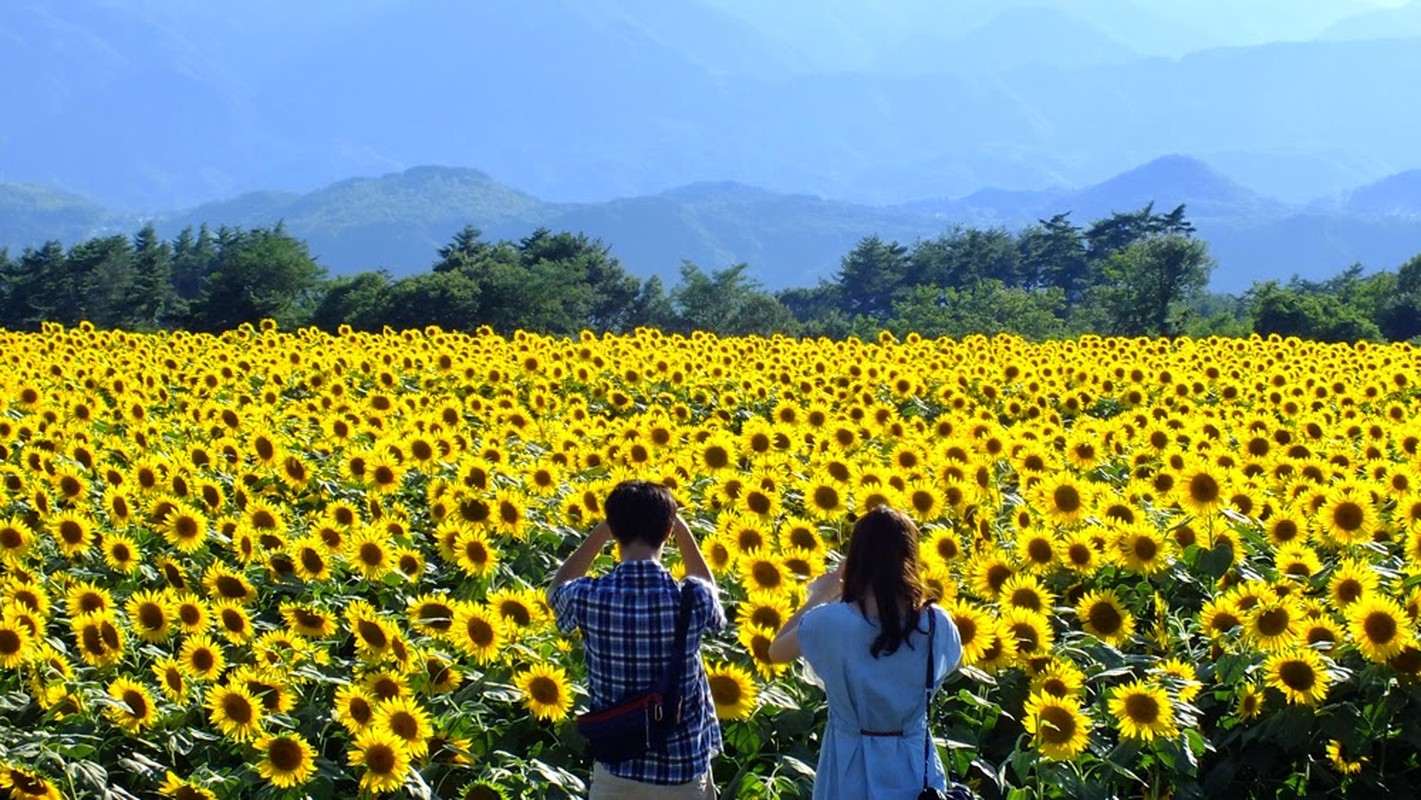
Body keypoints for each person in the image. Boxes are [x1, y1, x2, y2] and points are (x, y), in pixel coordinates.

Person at [768, 506, 963, 800]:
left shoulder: (830, 622)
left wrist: (825, 591)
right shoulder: (936, 623)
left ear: (856, 560)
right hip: (914, 765)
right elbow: (951, 662)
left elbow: (776, 650)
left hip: (848, 763)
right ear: (911, 559)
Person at [549, 480, 726, 799]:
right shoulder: (691, 598)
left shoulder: (589, 597)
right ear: (668, 531)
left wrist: (602, 530)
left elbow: (556, 590)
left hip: (617, 768)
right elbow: (711, 597)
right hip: (681, 771)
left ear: (615, 531)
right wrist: (683, 531)